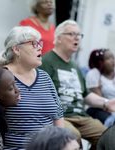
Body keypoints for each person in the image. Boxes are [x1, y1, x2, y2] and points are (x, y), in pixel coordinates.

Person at [0, 26, 64, 150]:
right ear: (17, 49)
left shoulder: (45, 77)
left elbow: (58, 114)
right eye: (34, 43)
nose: (40, 47)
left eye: (40, 43)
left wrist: (61, 144)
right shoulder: (0, 75)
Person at [40, 19, 115, 150]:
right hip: (61, 116)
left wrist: (106, 102)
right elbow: (40, 95)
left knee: (107, 136)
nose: (77, 38)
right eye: (71, 34)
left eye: (79, 35)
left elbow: (85, 95)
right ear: (58, 38)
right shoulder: (45, 61)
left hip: (81, 116)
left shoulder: (75, 66)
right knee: (73, 137)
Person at [86, 49, 115, 127]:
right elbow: (99, 99)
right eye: (108, 58)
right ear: (100, 62)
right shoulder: (94, 74)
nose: (113, 60)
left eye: (113, 57)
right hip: (100, 109)